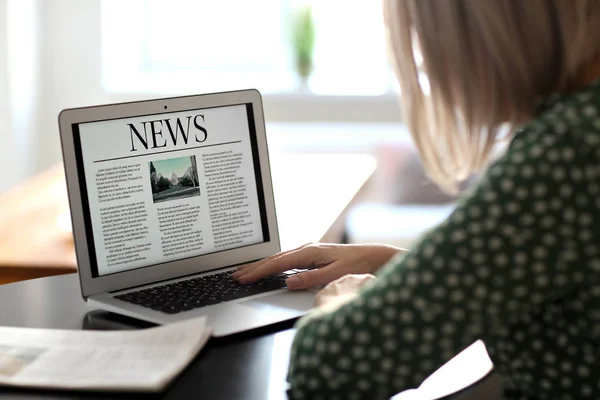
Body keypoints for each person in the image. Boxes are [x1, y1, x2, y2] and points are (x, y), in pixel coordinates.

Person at [233, 0, 600, 398]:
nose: (431, 63)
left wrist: (346, 300)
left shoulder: (566, 153)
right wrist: (399, 266)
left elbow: (327, 370)